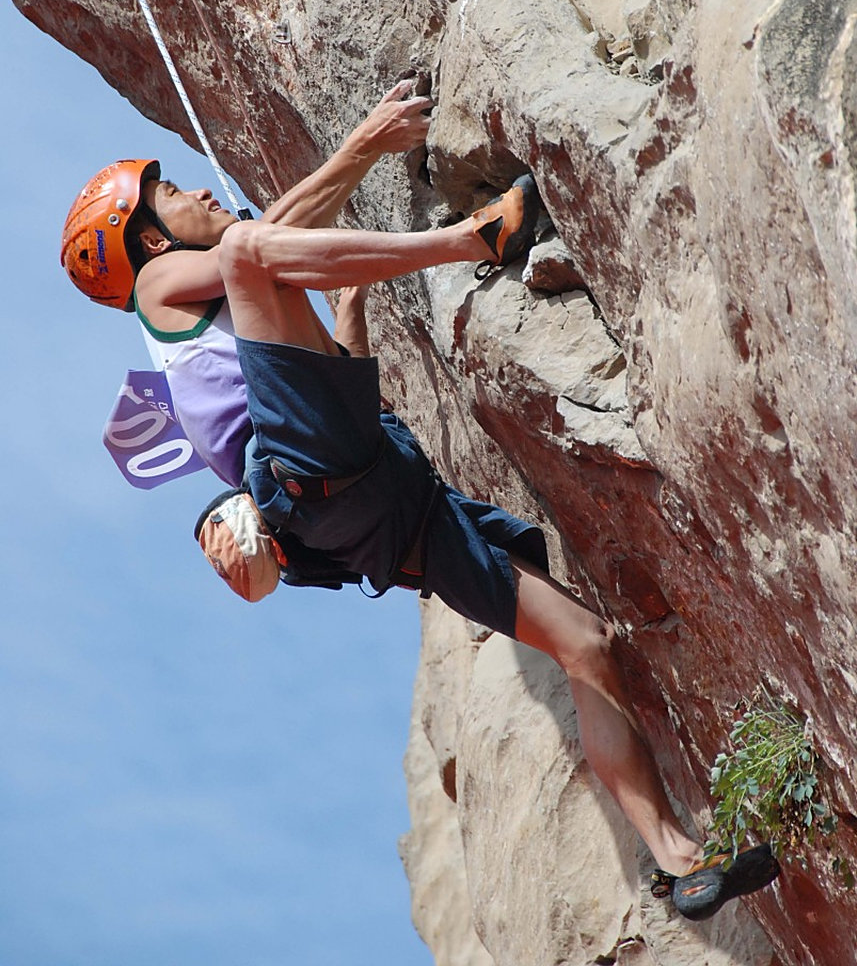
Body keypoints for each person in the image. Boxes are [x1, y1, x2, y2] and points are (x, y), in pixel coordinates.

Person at [61, 81, 780, 921]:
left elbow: (299, 304)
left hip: (377, 504)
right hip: (319, 480)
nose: (200, 190)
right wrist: (370, 149)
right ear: (146, 239)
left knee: (585, 643)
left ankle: (676, 860)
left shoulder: (222, 308)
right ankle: (471, 239)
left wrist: (351, 308)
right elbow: (262, 245)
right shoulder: (159, 289)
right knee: (258, 248)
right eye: (173, 194)